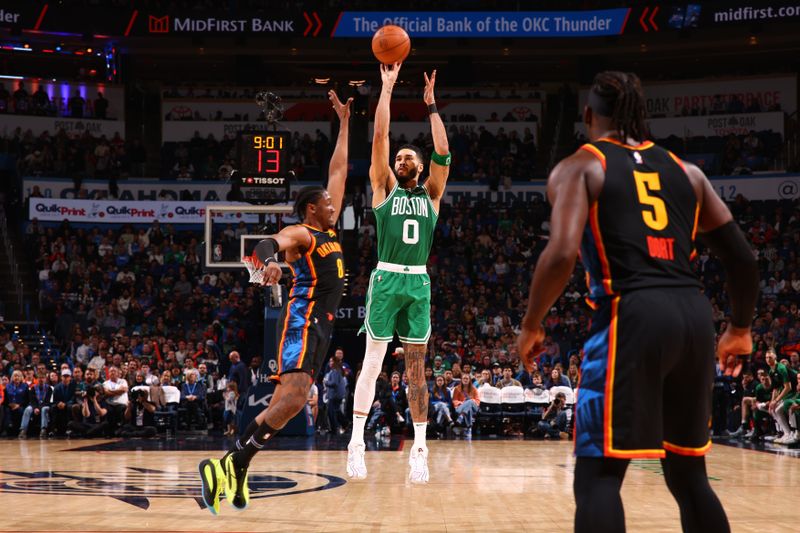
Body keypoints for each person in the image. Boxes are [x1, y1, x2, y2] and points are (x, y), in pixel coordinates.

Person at [516, 71, 758, 533]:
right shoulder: (688, 172)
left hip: (632, 314)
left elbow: (562, 253)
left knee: (600, 478)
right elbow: (742, 258)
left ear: (587, 116)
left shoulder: (582, 165)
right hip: (693, 316)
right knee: (689, 477)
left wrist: (532, 323)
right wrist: (740, 329)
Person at [198, 90, 351, 515]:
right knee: (294, 397)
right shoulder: (302, 233)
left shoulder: (329, 232)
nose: (333, 204)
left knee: (295, 402)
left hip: (323, 323)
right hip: (303, 319)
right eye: (326, 202)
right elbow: (270, 242)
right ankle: (230, 462)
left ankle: (237, 465)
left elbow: (339, 168)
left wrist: (343, 123)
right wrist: (267, 263)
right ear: (309, 208)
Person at [348, 62, 451, 484]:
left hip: (418, 281)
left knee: (416, 370)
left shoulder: (433, 194)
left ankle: (420, 450)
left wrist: (431, 107)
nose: (400, 159)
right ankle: (356, 444)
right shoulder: (383, 189)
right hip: (388, 277)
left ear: (421, 168)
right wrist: (386, 89)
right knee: (372, 363)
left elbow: (444, 153)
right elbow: (379, 137)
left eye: (408, 157)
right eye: (398, 158)